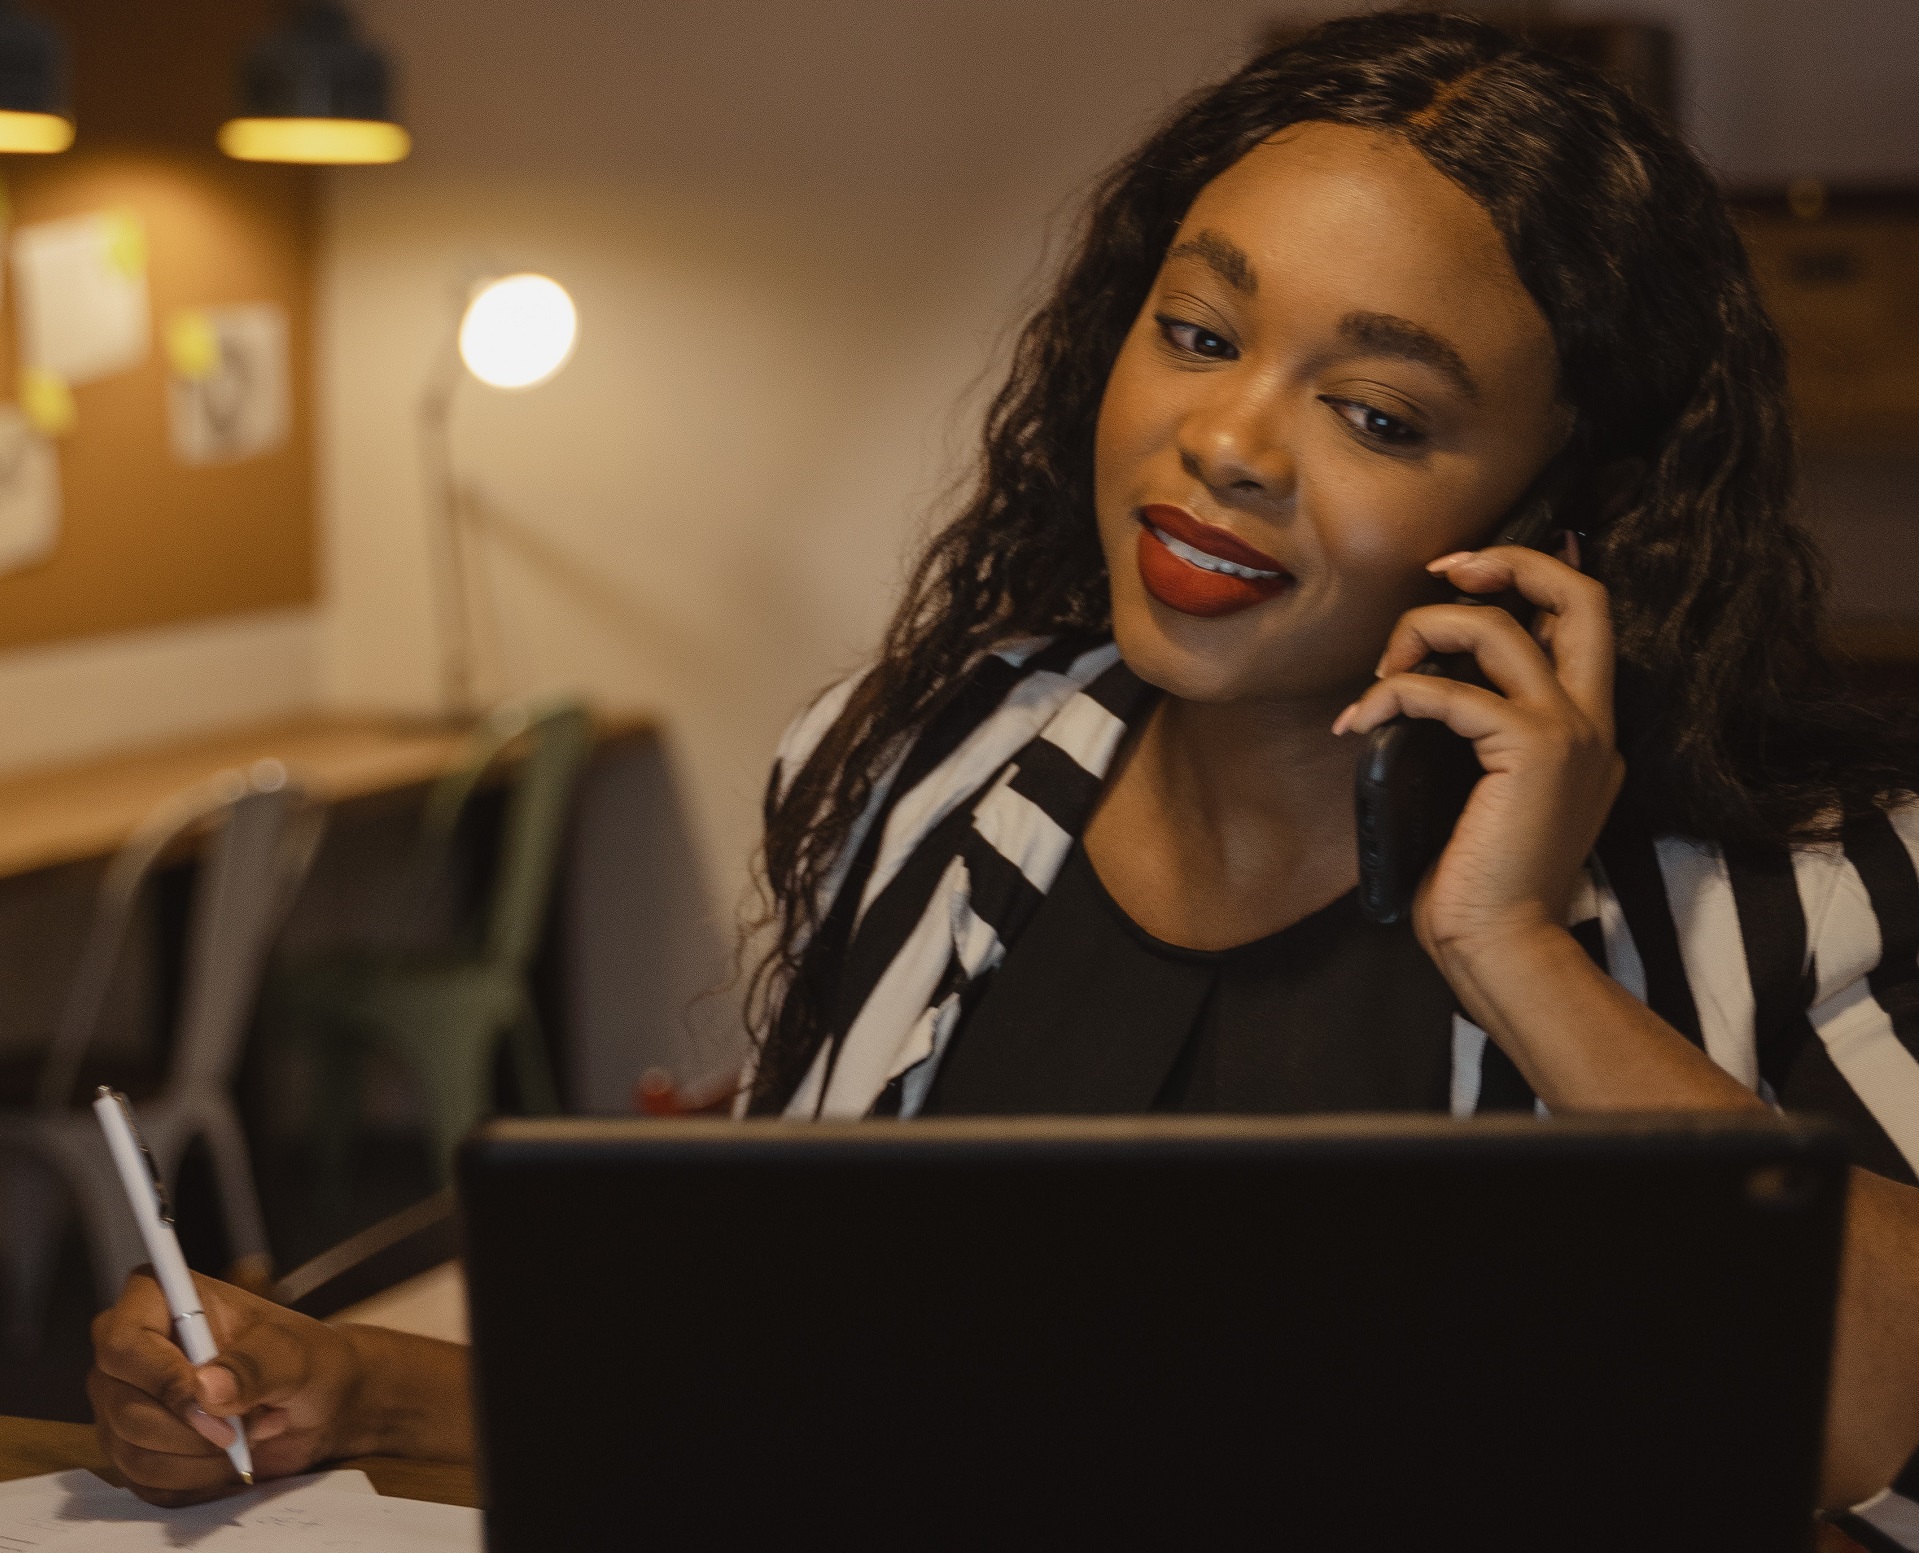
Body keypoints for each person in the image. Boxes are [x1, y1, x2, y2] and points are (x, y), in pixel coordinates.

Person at [88, 10, 1919, 1534]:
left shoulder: (1793, 884)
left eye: (1377, 413)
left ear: (1554, 505)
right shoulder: (938, 765)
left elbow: (1865, 1440)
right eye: (1198, 332)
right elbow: (782, 1403)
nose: (1226, 440)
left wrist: (1517, 944)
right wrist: (345, 1383)